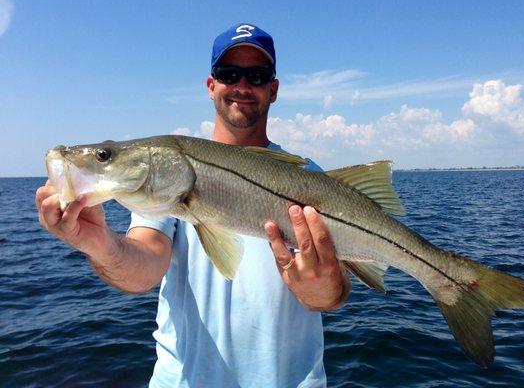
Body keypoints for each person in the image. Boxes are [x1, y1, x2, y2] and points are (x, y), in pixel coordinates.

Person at [35, 23, 351, 387]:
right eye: (229, 74)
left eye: (257, 75)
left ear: (273, 89)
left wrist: (321, 289)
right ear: (211, 85)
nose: (242, 86)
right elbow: (145, 267)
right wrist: (98, 243)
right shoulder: (161, 185)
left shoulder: (310, 176)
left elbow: (335, 293)